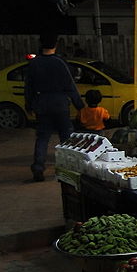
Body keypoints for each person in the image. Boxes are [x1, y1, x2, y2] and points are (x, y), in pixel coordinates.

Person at [24, 31, 85, 182]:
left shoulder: (34, 63)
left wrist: (29, 104)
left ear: (40, 43)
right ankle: (69, 167)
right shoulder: (60, 63)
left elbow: (28, 87)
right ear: (56, 45)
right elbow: (70, 86)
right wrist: (80, 105)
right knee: (66, 137)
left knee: (43, 137)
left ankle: (38, 167)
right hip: (60, 104)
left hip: (42, 103)